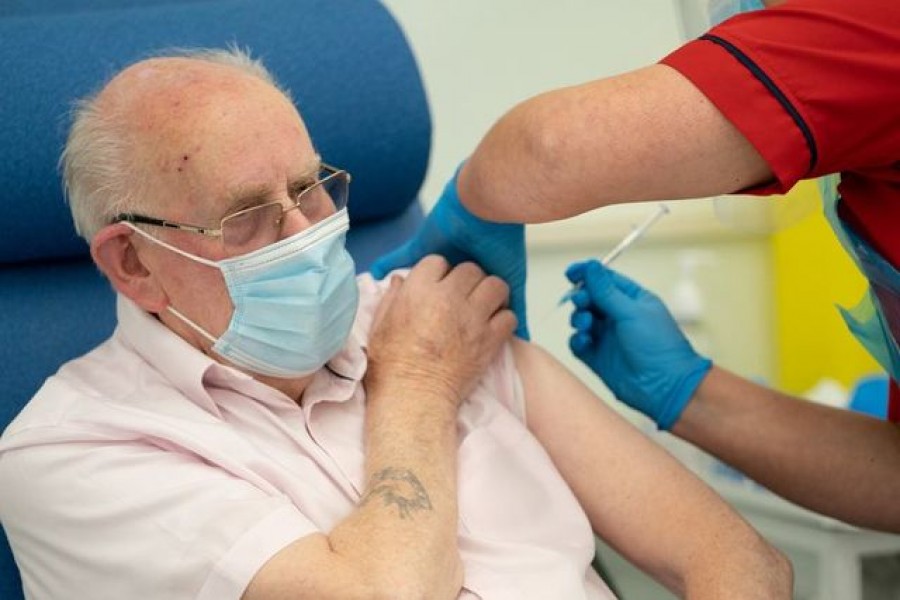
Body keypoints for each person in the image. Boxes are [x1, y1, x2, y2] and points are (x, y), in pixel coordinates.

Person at [0, 48, 791, 599]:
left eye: (311, 189)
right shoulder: (71, 452)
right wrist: (416, 383)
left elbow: (736, 558)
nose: (306, 233)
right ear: (132, 263)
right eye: (246, 215)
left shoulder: (431, 313)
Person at [371, 0, 900, 533]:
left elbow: (549, 148)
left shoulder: (876, 25)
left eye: (309, 189)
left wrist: (473, 205)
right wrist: (688, 391)